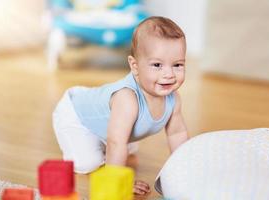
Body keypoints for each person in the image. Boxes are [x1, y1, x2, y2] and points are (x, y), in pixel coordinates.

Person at [52, 16, 189, 195]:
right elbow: (116, 143)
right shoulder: (127, 99)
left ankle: (106, 145)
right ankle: (100, 151)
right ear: (135, 66)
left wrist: (186, 172)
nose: (169, 74)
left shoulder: (174, 99)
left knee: (122, 141)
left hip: (108, 123)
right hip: (76, 115)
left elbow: (177, 134)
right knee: (88, 162)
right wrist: (120, 181)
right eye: (157, 65)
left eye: (177, 65)